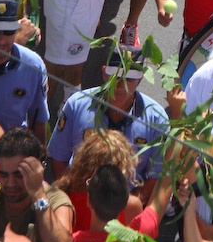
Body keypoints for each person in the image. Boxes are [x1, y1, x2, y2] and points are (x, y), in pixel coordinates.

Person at [47, 45, 169, 202]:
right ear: (104, 73)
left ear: (140, 80)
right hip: (79, 197)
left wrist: (123, 208)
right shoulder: (76, 105)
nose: (120, 85)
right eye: (115, 77)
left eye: (129, 80)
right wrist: (73, 199)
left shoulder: (157, 120)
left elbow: (156, 177)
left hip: (127, 204)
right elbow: (59, 158)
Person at [0, 128, 73, 242]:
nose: (10, 183)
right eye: (4, 175)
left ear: (36, 170)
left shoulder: (56, 200)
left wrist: (38, 194)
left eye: (19, 175)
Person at [0, 0, 48, 143]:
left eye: (8, 32)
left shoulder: (33, 65)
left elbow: (37, 119)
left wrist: (39, 154)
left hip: (13, 148)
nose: (2, 40)